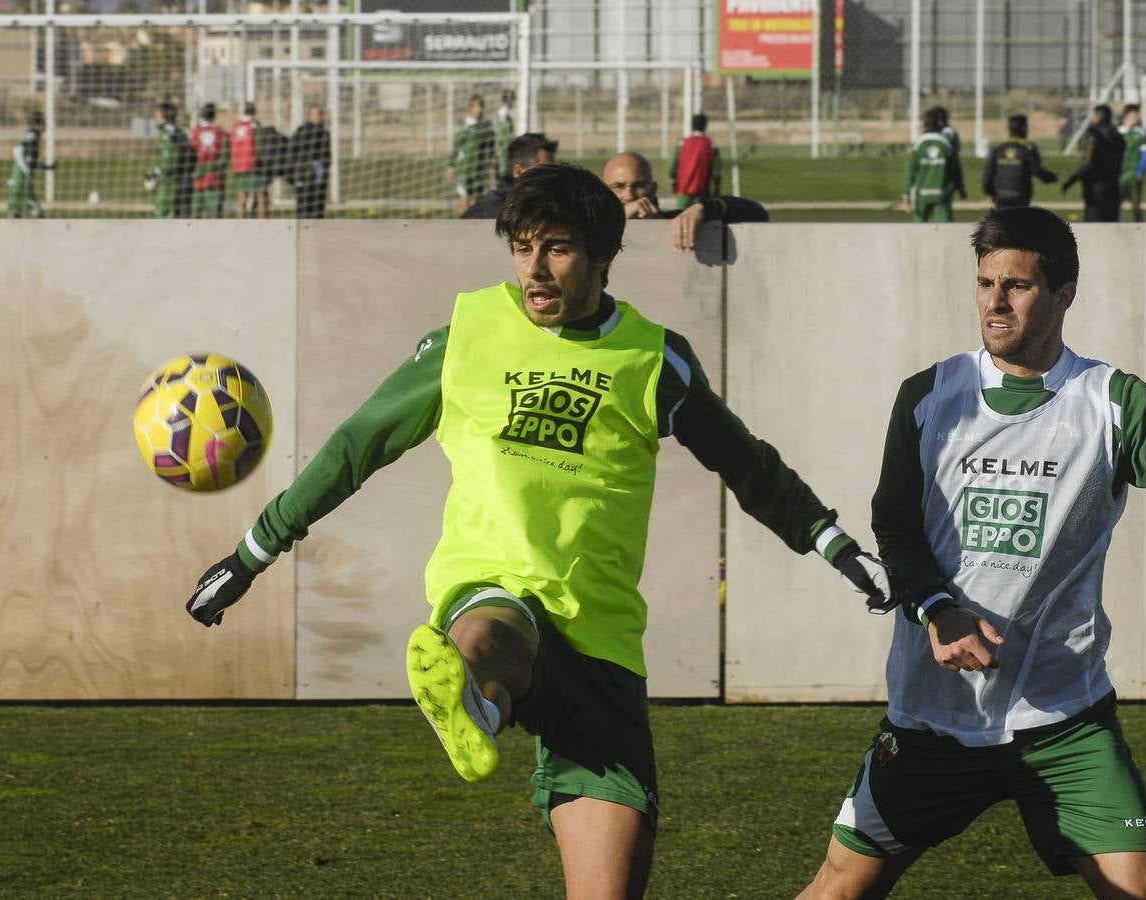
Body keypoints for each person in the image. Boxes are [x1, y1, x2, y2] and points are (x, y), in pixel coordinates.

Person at [183, 162, 892, 899]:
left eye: (555, 248)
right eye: (522, 247)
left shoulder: (654, 359)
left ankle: (484, 704)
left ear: (602, 256)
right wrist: (252, 553)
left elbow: (750, 468)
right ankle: (470, 693)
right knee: (492, 633)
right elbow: (355, 447)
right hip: (495, 589)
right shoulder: (466, 335)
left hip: (603, 643)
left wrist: (837, 547)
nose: (535, 269)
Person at [798, 206, 1146, 899]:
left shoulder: (1113, 403)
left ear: (1064, 293)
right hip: (933, 719)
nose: (995, 302)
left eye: (1017, 285)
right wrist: (937, 608)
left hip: (1064, 723)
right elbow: (893, 522)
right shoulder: (929, 396)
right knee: (838, 889)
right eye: (984, 283)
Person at [601, 151, 769, 253]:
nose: (629, 195)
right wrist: (619, 219)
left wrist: (704, 208)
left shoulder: (680, 225)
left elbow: (758, 214)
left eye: (639, 186)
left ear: (653, 189)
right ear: (604, 191)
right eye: (618, 187)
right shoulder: (590, 231)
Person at [461, 132, 557, 220]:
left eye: (555, 169)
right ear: (518, 171)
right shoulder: (492, 212)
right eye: (546, 170)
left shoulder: (551, 203)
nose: (554, 175)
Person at [1061, 104, 1125, 222]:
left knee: (1094, 229)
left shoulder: (1094, 135)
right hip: (1113, 188)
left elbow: (1089, 163)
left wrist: (1071, 181)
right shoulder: (1118, 136)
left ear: (1097, 117)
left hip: (1095, 191)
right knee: (1111, 229)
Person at [981, 114, 1057, 210]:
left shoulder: (999, 148)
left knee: (1002, 222)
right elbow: (1037, 171)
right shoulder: (1028, 147)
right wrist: (1051, 178)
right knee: (1019, 222)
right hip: (1020, 195)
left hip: (1000, 195)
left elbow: (988, 174)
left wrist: (990, 193)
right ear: (1024, 128)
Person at [902, 109, 962, 223]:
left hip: (922, 196)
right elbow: (955, 169)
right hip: (941, 195)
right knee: (944, 231)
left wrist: (906, 195)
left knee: (918, 231)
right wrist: (960, 187)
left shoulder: (918, 144)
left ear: (924, 123)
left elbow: (910, 172)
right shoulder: (946, 144)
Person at [448, 94, 499, 215]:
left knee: (479, 200)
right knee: (464, 197)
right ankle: (461, 224)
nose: (479, 109)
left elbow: (491, 145)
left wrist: (492, 162)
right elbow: (456, 147)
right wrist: (451, 167)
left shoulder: (487, 125)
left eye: (481, 106)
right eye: (476, 106)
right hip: (465, 168)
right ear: (470, 108)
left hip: (480, 168)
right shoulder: (465, 125)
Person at [6, 110, 53, 218]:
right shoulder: (32, 137)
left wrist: (47, 167)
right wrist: (26, 169)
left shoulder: (32, 137)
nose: (45, 125)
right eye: (43, 122)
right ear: (37, 123)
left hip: (20, 180)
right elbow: (17, 150)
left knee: (20, 214)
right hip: (20, 180)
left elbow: (31, 163)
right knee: (35, 213)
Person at [150, 102, 193, 219]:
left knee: (161, 217)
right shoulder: (180, 132)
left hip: (171, 183)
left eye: (157, 116)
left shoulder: (167, 134)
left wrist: (156, 173)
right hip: (185, 181)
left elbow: (172, 160)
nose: (155, 119)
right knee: (179, 217)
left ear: (163, 116)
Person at [670, 113, 720, 210]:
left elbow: (672, 167)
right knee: (703, 219)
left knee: (680, 217)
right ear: (705, 126)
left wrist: (673, 182)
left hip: (683, 191)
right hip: (703, 191)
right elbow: (716, 172)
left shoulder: (682, 143)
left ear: (692, 125)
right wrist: (716, 189)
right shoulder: (711, 144)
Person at [291, 104, 332, 219]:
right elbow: (293, 149)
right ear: (309, 116)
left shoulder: (324, 133)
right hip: (304, 172)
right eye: (315, 114)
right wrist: (300, 164)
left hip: (319, 172)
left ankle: (318, 231)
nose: (317, 117)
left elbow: (327, 154)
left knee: (318, 205)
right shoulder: (302, 131)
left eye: (319, 114)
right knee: (303, 204)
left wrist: (325, 165)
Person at [189, 103, 229, 219]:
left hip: (198, 179)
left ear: (201, 115)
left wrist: (199, 170)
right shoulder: (220, 132)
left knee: (195, 216)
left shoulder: (194, 132)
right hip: (215, 180)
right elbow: (224, 158)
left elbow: (190, 155)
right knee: (216, 216)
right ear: (214, 115)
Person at [231, 103, 268, 219]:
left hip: (239, 166)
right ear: (254, 112)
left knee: (242, 198)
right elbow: (260, 145)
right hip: (254, 165)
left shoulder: (236, 126)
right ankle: (265, 225)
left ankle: (240, 226)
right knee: (261, 196)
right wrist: (263, 161)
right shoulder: (255, 126)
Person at [1118, 104, 1146, 222]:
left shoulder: (1142, 133)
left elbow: (1145, 153)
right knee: (1115, 203)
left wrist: (1141, 172)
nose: (1136, 118)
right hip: (1119, 174)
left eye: (1137, 115)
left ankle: (1139, 228)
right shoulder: (1118, 132)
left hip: (1133, 174)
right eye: (1133, 115)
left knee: (1135, 204)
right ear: (1126, 116)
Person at [929, 106, 969, 204]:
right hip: (943, 175)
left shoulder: (945, 132)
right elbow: (954, 156)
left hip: (934, 174)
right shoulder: (948, 132)